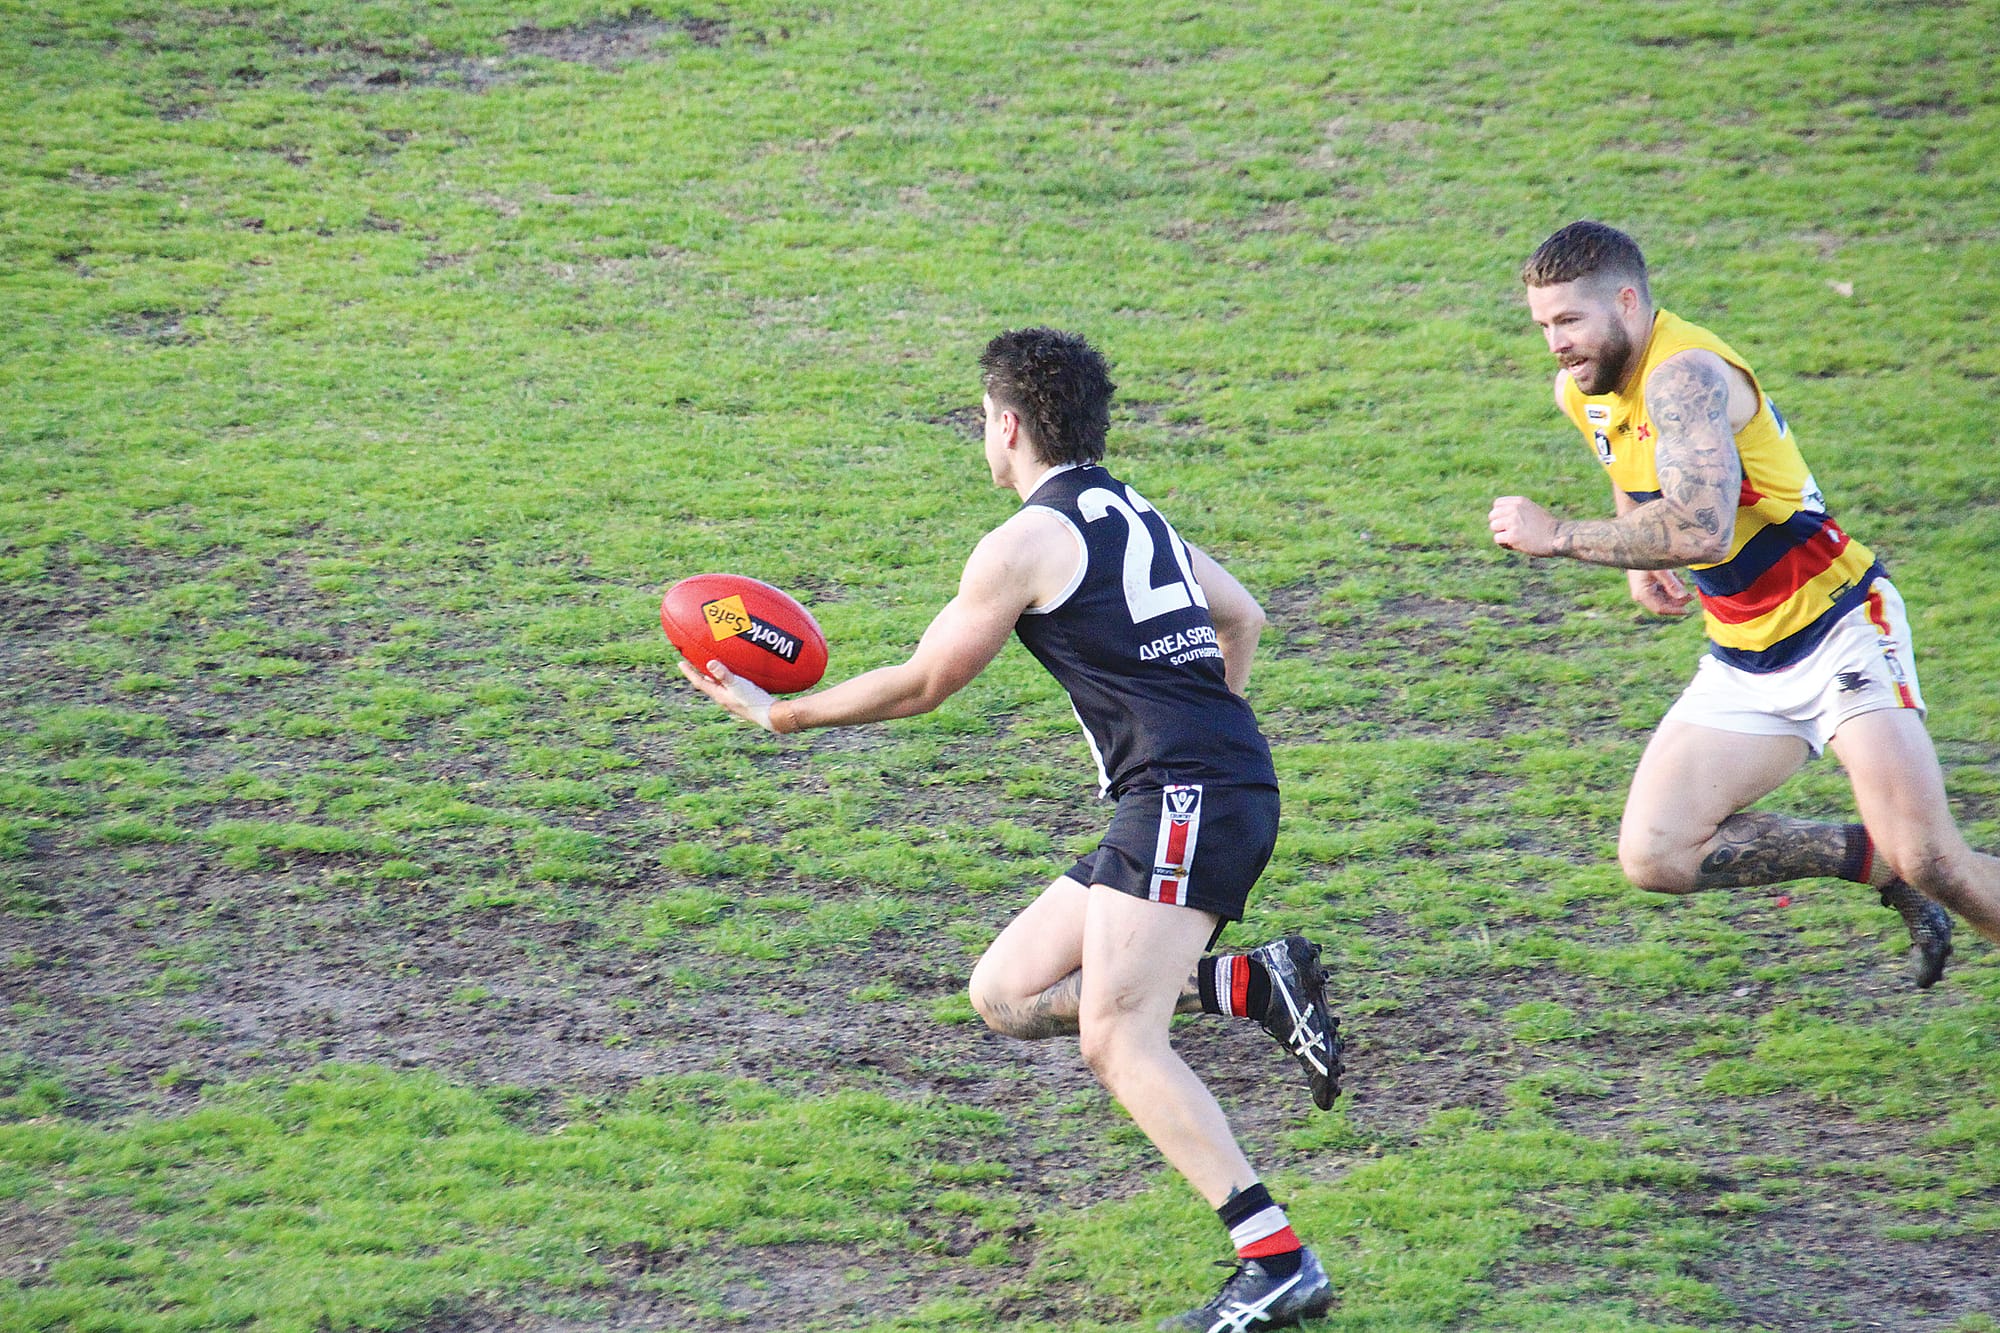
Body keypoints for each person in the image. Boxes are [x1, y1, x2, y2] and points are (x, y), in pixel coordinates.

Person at [681, 327, 1341, 1330]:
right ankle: (1253, 981)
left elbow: (923, 682)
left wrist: (779, 713)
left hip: (1181, 796)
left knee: (1117, 1036)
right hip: (1191, 789)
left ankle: (1275, 1259)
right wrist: (1205, 729)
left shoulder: (1025, 542)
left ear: (1008, 424)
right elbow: (1240, 613)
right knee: (1003, 991)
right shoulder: (1132, 511)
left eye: (982, 423)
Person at [1489, 219, 2000, 987]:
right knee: (1657, 851)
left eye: (1569, 320)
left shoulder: (1685, 375)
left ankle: (1907, 866)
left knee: (1933, 855)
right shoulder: (1585, 386)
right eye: (1543, 326)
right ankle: (1878, 868)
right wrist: (1633, 544)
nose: (1555, 342)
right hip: (1744, 654)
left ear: (1627, 302)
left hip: (1840, 630)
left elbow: (1700, 524)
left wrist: (1559, 535)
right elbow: (1626, 459)